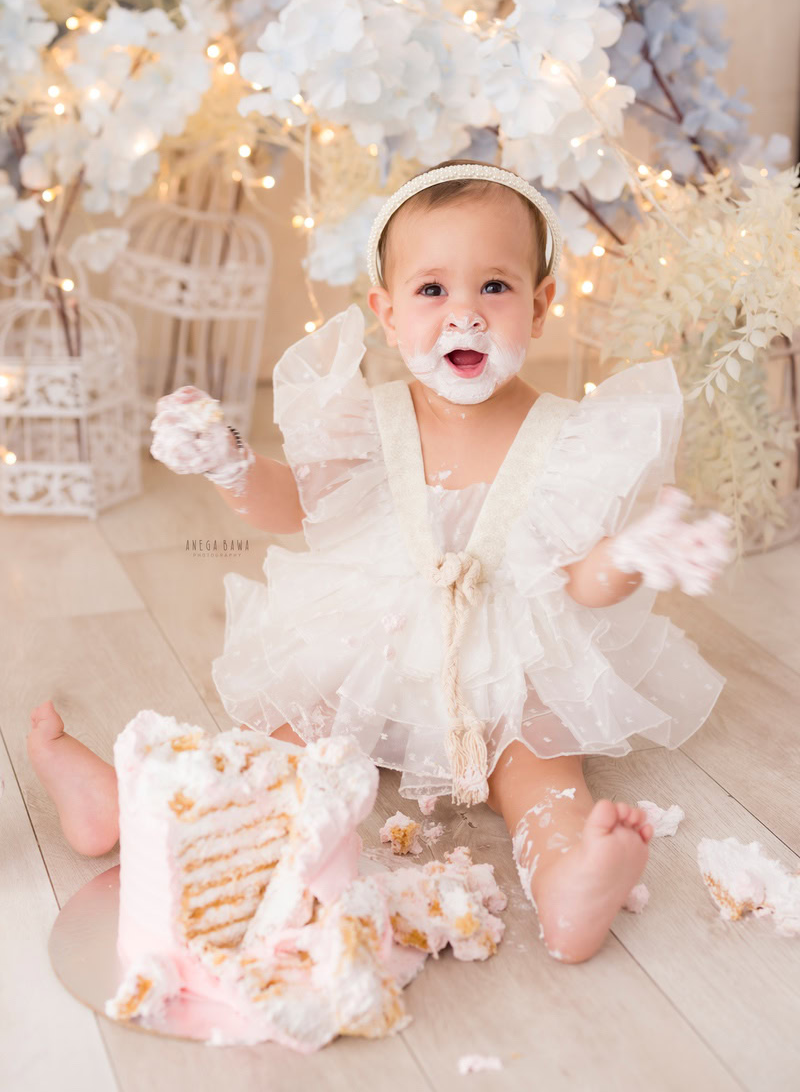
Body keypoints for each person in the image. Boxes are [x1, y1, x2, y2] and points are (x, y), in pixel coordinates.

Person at [27, 159, 733, 964]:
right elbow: (298, 509)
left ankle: (570, 870)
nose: (464, 313)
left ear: (540, 307)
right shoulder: (365, 421)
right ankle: (123, 804)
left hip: (512, 670)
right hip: (375, 657)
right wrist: (229, 464)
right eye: (432, 291)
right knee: (283, 750)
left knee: (545, 769)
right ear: (387, 314)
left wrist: (632, 552)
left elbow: (584, 583)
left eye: (494, 288)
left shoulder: (573, 439)